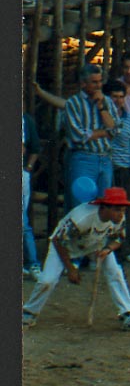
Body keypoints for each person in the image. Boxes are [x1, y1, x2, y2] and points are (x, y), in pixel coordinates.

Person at [21, 187, 130, 332]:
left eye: (123, 210)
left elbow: (119, 239)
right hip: (64, 246)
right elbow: (59, 240)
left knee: (115, 271)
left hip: (95, 245)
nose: (121, 214)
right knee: (48, 280)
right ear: (105, 208)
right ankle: (29, 312)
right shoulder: (82, 217)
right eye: (118, 210)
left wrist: (107, 250)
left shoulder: (118, 219)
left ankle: (127, 314)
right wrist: (71, 268)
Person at [65, 64, 118, 202]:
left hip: (105, 158)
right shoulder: (73, 103)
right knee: (82, 203)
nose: (98, 85)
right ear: (83, 83)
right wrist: (104, 132)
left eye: (100, 81)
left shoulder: (107, 102)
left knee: (103, 205)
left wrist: (102, 109)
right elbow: (78, 136)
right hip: (84, 158)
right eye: (94, 82)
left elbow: (116, 129)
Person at [105, 78, 130, 255]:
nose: (118, 101)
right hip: (105, 169)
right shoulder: (99, 119)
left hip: (123, 171)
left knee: (123, 214)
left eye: (121, 97)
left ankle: (121, 250)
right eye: (114, 97)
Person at [22, 111, 43, 278]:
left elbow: (34, 148)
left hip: (20, 173)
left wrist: (28, 167)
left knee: (22, 221)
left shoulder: (25, 120)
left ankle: (33, 263)